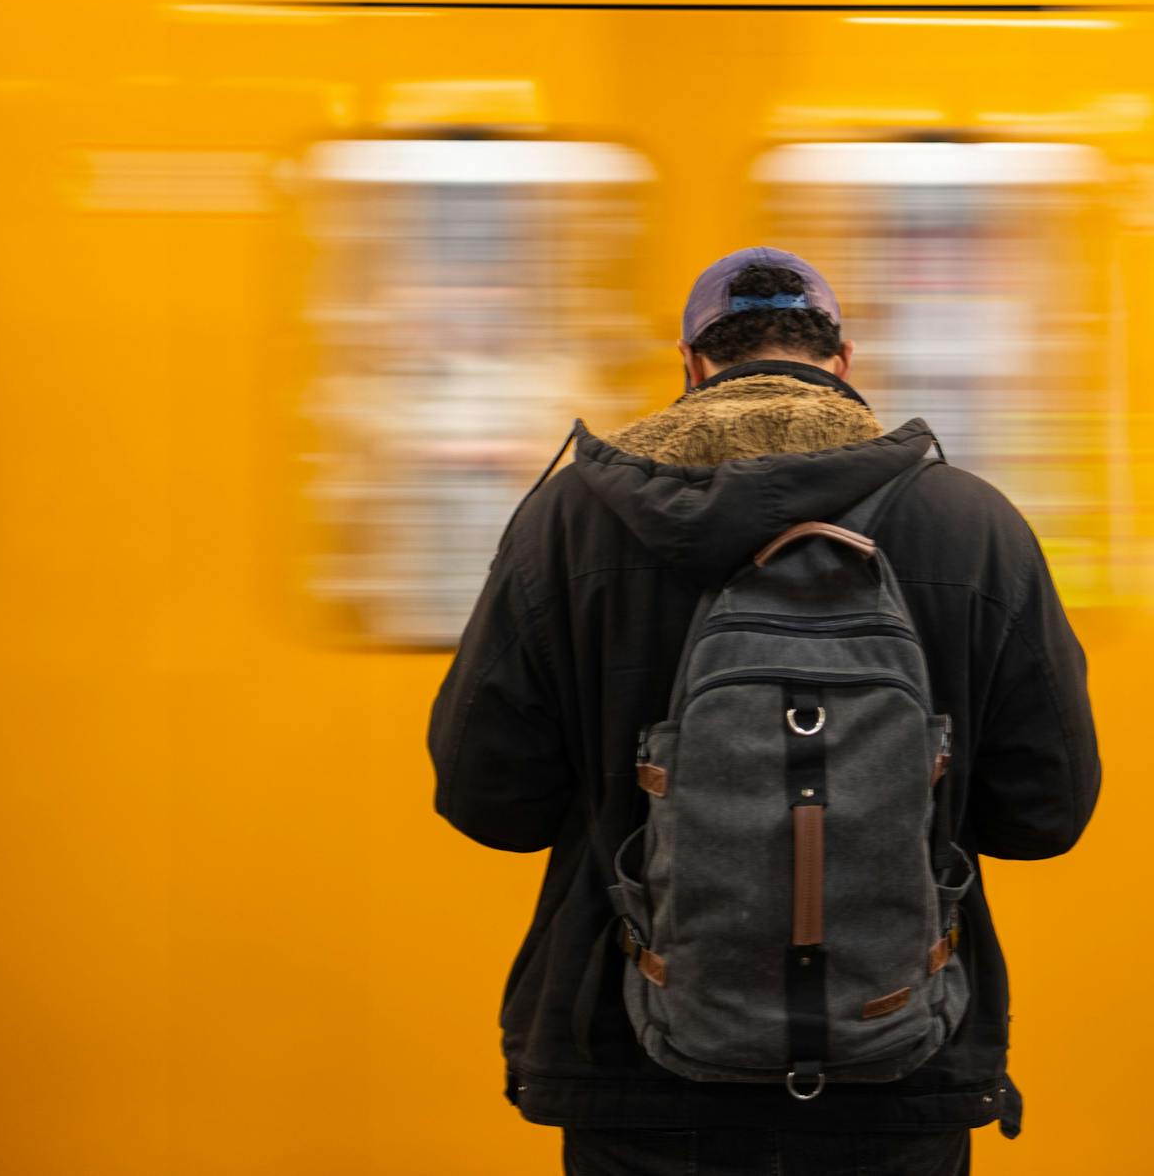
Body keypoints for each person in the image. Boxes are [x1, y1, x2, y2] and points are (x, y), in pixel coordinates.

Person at [428, 247, 1102, 1175]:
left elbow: (487, 801)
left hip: (637, 1062)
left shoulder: (570, 520)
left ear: (691, 364)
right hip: (897, 1059)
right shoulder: (971, 524)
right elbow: (1044, 814)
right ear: (845, 361)